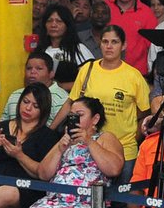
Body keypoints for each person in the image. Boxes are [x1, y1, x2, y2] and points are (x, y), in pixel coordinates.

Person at [60, 25, 150, 181]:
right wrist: (50, 129)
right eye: (105, 41)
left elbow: (144, 115)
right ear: (99, 43)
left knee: (121, 201)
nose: (109, 46)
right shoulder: (87, 69)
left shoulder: (134, 76)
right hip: (88, 146)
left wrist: (131, 140)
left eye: (114, 42)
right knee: (94, 199)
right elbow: (71, 103)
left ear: (124, 45)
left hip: (125, 150)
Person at [0, 51, 69, 123]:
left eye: (39, 68)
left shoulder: (62, 98)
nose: (32, 72)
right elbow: (2, 127)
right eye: (29, 68)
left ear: (51, 74)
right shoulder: (15, 95)